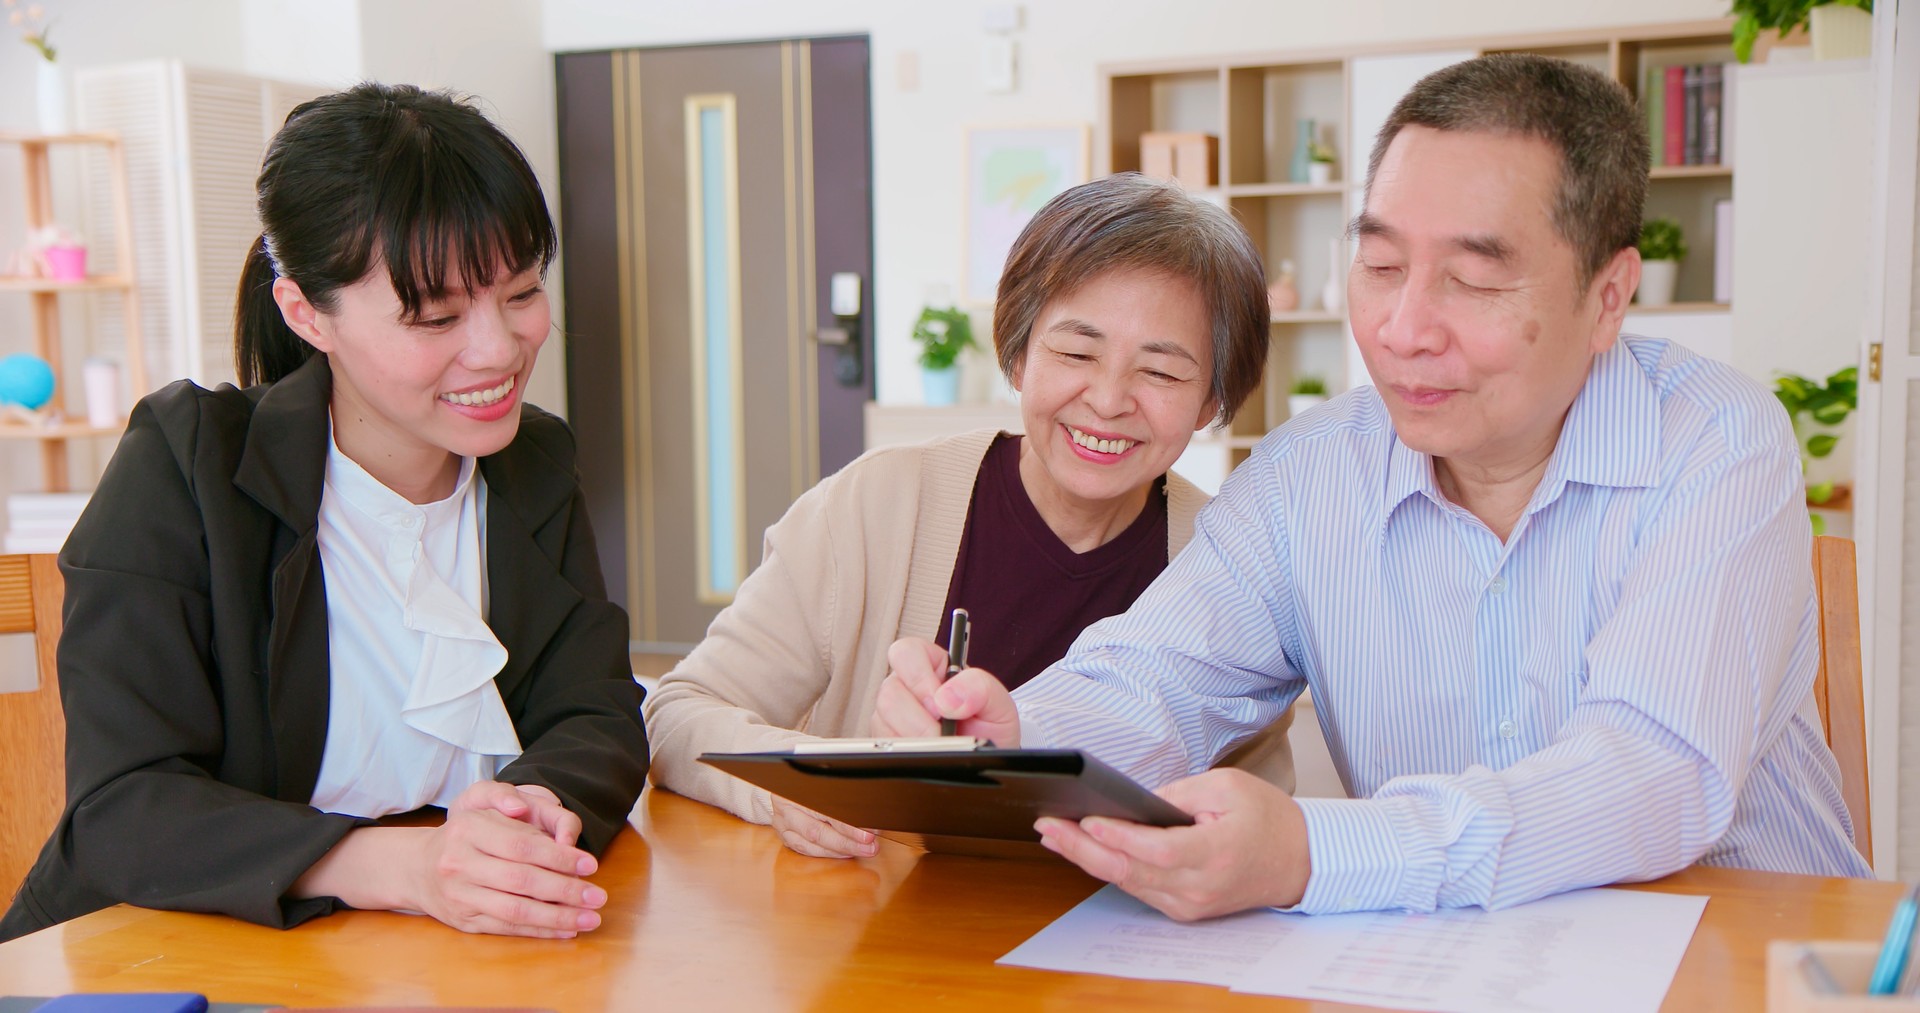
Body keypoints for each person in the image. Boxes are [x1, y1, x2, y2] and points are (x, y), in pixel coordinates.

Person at [874, 54, 1873, 920]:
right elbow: (1159, 674)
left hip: (1743, 953)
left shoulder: (1715, 439)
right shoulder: (1314, 473)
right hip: (1445, 963)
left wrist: (1316, 851)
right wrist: (1014, 728)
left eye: (1474, 281)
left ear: (1609, 296)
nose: (1402, 328)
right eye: (1381, 262)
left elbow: (1651, 777)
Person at [0, 84, 648, 943]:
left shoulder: (532, 463)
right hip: (165, 955)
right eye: (437, 315)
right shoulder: (186, 464)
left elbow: (595, 710)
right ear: (306, 312)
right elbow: (125, 808)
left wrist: (528, 815)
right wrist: (402, 867)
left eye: (523, 291)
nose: (499, 349)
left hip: (429, 958)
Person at [645, 173, 1293, 858]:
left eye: (1160, 372)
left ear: (1211, 403)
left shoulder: (1227, 564)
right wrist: (801, 781)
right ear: (1017, 355)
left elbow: (1252, 826)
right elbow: (678, 713)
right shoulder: (878, 504)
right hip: (875, 929)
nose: (1107, 399)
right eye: (1076, 352)